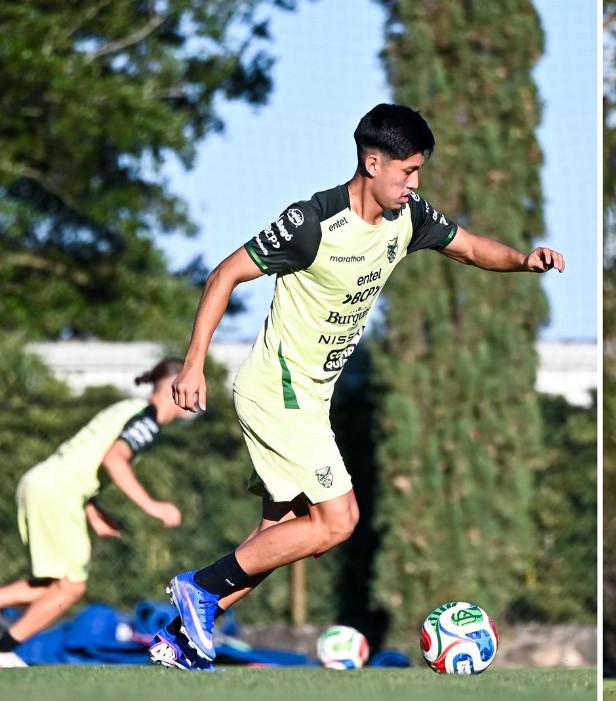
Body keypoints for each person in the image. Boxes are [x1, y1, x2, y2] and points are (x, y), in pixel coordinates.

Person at [151, 103, 566, 671]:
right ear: (373, 162)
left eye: (419, 172)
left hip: (308, 400)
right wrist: (193, 362)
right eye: (407, 171)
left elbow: (469, 247)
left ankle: (176, 639)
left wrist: (523, 260)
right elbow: (224, 274)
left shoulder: (408, 217)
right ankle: (198, 589)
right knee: (338, 521)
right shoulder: (313, 223)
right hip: (280, 389)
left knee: (277, 537)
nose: (415, 183)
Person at [0, 359, 186, 668]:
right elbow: (115, 459)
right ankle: (4, 650)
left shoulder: (127, 408)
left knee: (53, 586)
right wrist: (155, 506)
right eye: (194, 384)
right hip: (59, 491)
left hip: (45, 483)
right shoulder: (147, 419)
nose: (198, 395)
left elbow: (83, 456)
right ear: (174, 383)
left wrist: (93, 511)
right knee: (72, 587)